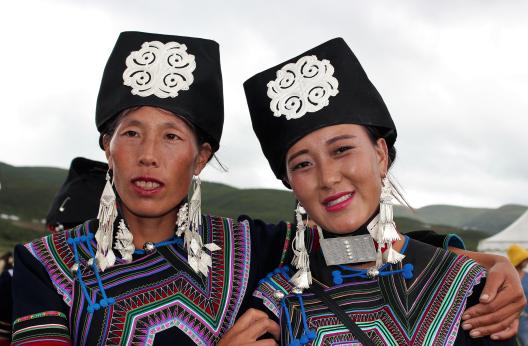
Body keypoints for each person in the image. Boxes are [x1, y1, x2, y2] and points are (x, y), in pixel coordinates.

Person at [10, 32, 524, 346]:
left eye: (172, 137)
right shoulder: (47, 266)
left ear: (202, 157)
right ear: (107, 145)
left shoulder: (249, 248)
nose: (149, 155)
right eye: (131, 134)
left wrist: (484, 264)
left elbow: (352, 246)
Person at [240, 37, 524, 345]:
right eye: (303, 164)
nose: (328, 178)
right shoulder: (275, 306)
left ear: (380, 154)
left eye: (342, 149)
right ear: (290, 183)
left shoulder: (475, 291)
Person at [507, 244, 528, 345]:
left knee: (525, 340)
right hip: (507, 315)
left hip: (524, 316)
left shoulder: (527, 277)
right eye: (524, 259)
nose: (526, 261)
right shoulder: (507, 276)